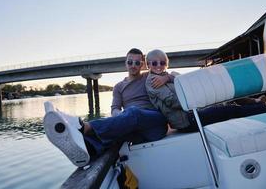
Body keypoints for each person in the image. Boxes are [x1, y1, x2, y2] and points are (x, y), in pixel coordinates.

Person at [43, 48, 173, 167]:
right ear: (125, 63)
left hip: (155, 124)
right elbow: (115, 108)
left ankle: (84, 126)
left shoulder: (150, 76)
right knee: (119, 130)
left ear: (143, 65)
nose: (133, 65)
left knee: (133, 112)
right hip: (136, 131)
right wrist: (120, 116)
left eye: (137, 63)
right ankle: (86, 148)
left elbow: (176, 76)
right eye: (130, 62)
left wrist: (166, 78)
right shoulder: (118, 87)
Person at [145, 49, 266, 132]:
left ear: (166, 64)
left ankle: (261, 104)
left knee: (228, 97)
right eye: (154, 63)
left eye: (162, 63)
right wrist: (202, 99)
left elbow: (187, 84)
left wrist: (169, 77)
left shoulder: (168, 76)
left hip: (194, 112)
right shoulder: (153, 81)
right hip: (186, 120)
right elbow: (174, 102)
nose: (159, 66)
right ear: (148, 65)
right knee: (230, 110)